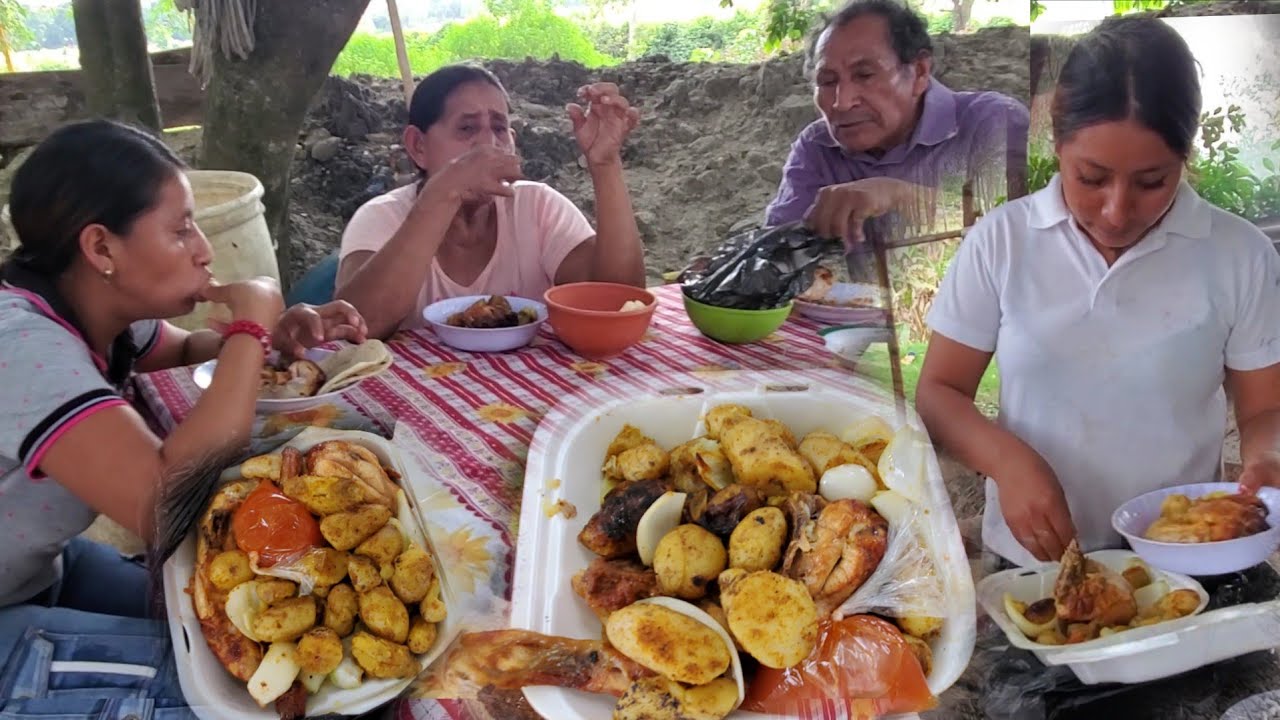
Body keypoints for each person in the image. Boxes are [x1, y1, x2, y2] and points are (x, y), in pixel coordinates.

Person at [0, 119, 367, 714]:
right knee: (242, 692)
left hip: (39, 569)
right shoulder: (22, 348)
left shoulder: (95, 312)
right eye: (180, 229)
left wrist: (269, 333)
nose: (204, 249)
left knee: (236, 619)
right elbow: (164, 502)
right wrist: (247, 327)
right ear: (100, 249)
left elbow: (181, 347)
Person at [915, 16, 1280, 569]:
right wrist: (1009, 463)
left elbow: (1264, 411)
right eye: (1091, 177)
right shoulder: (1003, 242)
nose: (1116, 210)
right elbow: (939, 391)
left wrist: (1268, 456)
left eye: (1152, 181)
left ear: (1185, 156)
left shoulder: (1239, 255)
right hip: (1032, 564)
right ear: (1057, 142)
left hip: (1181, 564)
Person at [336, 64, 647, 338]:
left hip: (530, 393)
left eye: (499, 128)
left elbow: (620, 301)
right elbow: (357, 327)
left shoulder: (536, 206)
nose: (488, 143)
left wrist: (605, 165)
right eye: (467, 128)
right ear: (418, 146)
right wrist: (446, 192)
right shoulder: (381, 218)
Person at [766, 0, 1028, 279]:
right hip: (872, 320)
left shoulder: (993, 122)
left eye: (864, 75)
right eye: (828, 82)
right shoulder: (819, 147)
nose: (842, 103)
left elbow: (1031, 238)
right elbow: (772, 258)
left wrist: (900, 196)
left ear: (919, 72)